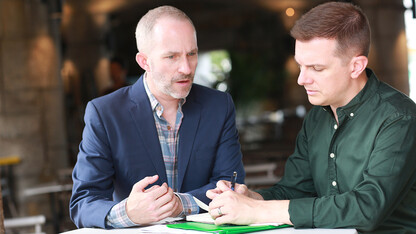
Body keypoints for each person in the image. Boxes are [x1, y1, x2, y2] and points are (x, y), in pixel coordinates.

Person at [206, 2, 416, 233]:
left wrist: (258, 211)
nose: (301, 79)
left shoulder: (399, 118)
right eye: (300, 66)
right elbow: (295, 191)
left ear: (356, 66)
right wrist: (251, 198)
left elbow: (367, 209)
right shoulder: (316, 119)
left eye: (316, 68)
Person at [70, 5, 245, 228]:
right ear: (144, 62)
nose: (186, 67)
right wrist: (128, 213)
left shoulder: (219, 106)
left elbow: (233, 185)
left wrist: (180, 204)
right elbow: (83, 202)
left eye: (192, 54)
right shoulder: (105, 113)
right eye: (171, 56)